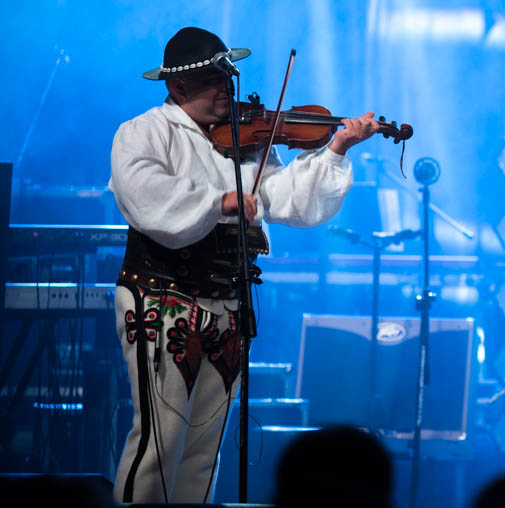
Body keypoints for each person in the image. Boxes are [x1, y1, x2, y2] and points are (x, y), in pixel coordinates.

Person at [109, 26, 379, 503]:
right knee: (161, 439)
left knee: (204, 446)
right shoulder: (144, 132)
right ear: (179, 87)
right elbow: (145, 195)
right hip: (164, 294)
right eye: (214, 80)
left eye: (228, 76)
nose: (227, 87)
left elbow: (286, 199)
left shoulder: (245, 136)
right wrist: (220, 201)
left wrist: (335, 149)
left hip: (228, 300)